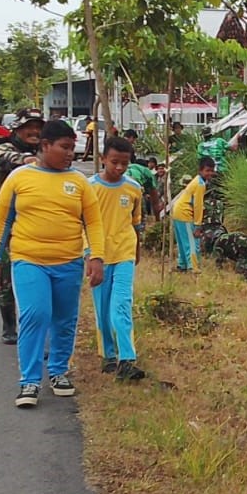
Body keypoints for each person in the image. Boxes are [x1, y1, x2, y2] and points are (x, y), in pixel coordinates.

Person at [0, 119, 106, 409]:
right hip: (28, 260)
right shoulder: (19, 178)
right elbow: (2, 221)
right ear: (45, 145)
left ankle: (58, 372)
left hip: (68, 262)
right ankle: (29, 380)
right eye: (64, 147)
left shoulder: (79, 182)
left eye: (72, 148)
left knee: (65, 319)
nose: (70, 154)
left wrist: (97, 257)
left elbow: (93, 223)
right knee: (35, 314)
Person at [89, 137, 147, 381]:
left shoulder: (133, 188)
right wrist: (89, 255)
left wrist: (137, 249)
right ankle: (108, 354)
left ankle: (127, 359)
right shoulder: (90, 188)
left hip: (124, 252)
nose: (120, 167)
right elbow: (83, 225)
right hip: (99, 256)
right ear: (103, 159)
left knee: (121, 304)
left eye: (125, 163)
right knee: (102, 308)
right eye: (114, 162)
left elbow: (136, 222)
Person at [0, 108, 45, 346]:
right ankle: (9, 325)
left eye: (38, 128)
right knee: (5, 276)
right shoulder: (6, 148)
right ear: (17, 129)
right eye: (28, 127)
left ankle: (37, 326)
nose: (34, 132)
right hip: (7, 223)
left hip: (37, 223)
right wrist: (27, 161)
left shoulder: (47, 151)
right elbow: (1, 157)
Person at [170, 157, 215, 272]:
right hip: (184, 213)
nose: (210, 173)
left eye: (212, 170)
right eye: (207, 170)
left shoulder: (197, 180)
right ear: (200, 170)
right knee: (192, 242)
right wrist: (197, 225)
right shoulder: (200, 184)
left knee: (183, 241)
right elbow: (198, 205)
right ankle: (193, 267)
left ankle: (182, 265)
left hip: (178, 211)